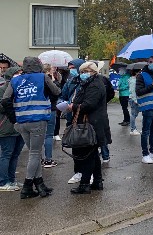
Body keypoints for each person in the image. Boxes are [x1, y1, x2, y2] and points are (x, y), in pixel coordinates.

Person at [1, 56, 60, 199]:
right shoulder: (42, 77)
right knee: (34, 154)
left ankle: (40, 184)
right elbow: (56, 91)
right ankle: (27, 186)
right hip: (38, 119)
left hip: (21, 122)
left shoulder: (15, 80)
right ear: (38, 65)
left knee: (35, 153)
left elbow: (5, 99)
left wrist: (14, 118)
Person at [67, 61, 111, 194]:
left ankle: (85, 184)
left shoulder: (95, 85)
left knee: (88, 155)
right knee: (93, 155)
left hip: (92, 124)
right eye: (81, 72)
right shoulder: (89, 83)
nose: (82, 74)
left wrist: (72, 107)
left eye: (85, 72)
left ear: (93, 72)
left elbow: (89, 104)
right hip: (92, 123)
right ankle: (97, 181)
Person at [0, 67, 24, 191]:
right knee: (6, 154)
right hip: (6, 126)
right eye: (17, 74)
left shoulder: (22, 89)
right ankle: (3, 182)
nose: (20, 75)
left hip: (20, 126)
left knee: (15, 154)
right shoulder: (2, 89)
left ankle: (12, 179)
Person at [42, 64, 62, 168]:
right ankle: (48, 159)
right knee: (48, 135)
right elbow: (57, 93)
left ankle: (40, 159)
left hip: (39, 110)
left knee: (39, 136)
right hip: (50, 109)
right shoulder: (50, 83)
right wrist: (54, 81)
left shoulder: (38, 82)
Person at [128, 68, 141, 135]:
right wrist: (135, 100)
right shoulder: (134, 81)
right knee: (133, 115)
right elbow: (133, 91)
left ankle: (133, 129)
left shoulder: (131, 79)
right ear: (136, 73)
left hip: (132, 98)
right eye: (139, 72)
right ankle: (133, 129)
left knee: (134, 114)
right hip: (134, 99)